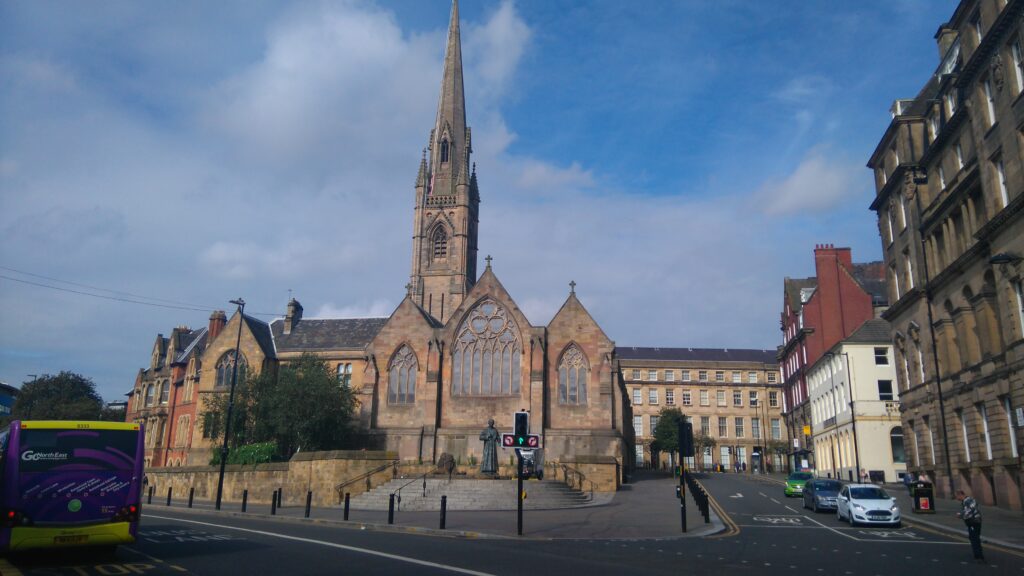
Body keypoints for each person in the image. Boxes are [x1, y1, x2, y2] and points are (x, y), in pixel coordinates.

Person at [956, 489, 984, 563]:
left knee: (974, 539)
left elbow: (969, 511)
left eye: (957, 496)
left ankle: (978, 556)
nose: (957, 498)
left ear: (960, 495)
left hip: (972, 522)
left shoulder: (966, 501)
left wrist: (960, 515)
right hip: (978, 521)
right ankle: (979, 555)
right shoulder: (971, 499)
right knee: (976, 538)